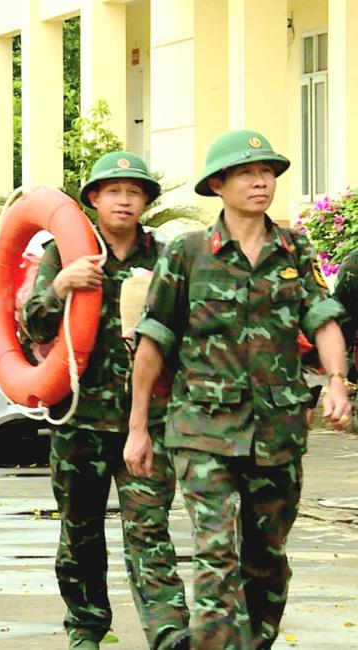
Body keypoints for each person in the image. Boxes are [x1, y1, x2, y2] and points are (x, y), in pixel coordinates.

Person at [127, 129, 352, 648]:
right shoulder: (186, 253)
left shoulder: (295, 248)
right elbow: (153, 341)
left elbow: (323, 320)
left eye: (268, 173)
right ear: (218, 184)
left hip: (277, 433)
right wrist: (139, 428)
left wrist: (337, 380)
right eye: (248, 173)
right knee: (216, 553)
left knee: (266, 559)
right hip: (202, 430)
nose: (261, 182)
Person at [24, 152, 189, 650]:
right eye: (113, 190)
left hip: (148, 420)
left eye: (134, 192)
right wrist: (60, 286)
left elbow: (189, 330)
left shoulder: (164, 259)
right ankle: (87, 627)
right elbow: (32, 323)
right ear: (93, 198)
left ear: (145, 202)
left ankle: (168, 630)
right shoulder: (64, 252)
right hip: (80, 419)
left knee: (150, 530)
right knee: (81, 532)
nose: (124, 200)